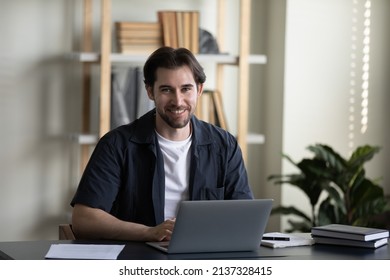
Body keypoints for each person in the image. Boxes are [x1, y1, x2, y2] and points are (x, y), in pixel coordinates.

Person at [71, 46, 253, 242]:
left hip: (204, 257)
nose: (178, 101)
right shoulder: (116, 145)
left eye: (186, 89)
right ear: (150, 91)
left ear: (199, 89)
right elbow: (84, 220)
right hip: (137, 259)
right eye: (166, 90)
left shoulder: (224, 146)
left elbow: (246, 217)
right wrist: (149, 233)